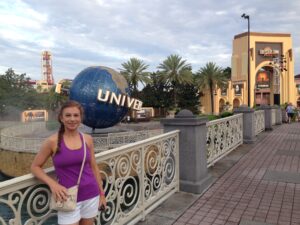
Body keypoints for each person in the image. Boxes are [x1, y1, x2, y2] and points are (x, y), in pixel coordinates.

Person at [31, 100, 106, 225]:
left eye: (76, 115)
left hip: (91, 194)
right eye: (68, 115)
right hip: (68, 198)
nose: (72, 119)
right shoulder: (52, 141)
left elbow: (93, 167)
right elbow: (35, 167)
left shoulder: (87, 139)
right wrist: (53, 184)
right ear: (61, 118)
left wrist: (102, 194)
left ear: (81, 118)